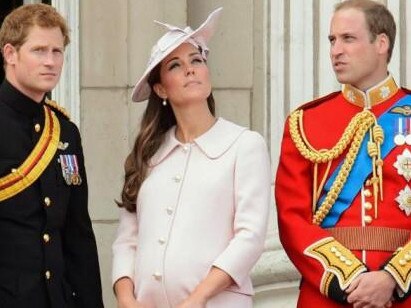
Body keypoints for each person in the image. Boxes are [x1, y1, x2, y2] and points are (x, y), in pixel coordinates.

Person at [112, 7, 271, 308]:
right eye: (175, 65)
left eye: (196, 60)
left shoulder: (244, 145)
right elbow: (126, 241)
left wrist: (198, 298)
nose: (190, 69)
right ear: (160, 88)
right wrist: (125, 299)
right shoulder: (147, 155)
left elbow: (249, 237)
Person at [275, 0, 411, 307]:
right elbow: (291, 219)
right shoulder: (305, 122)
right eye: (332, 40)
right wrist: (349, 281)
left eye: (348, 38)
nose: (336, 50)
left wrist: (393, 277)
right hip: (328, 294)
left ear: (381, 43)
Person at [0, 4, 104, 308]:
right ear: (10, 54)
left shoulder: (65, 132)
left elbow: (78, 235)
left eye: (57, 52)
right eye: (39, 50)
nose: (51, 62)